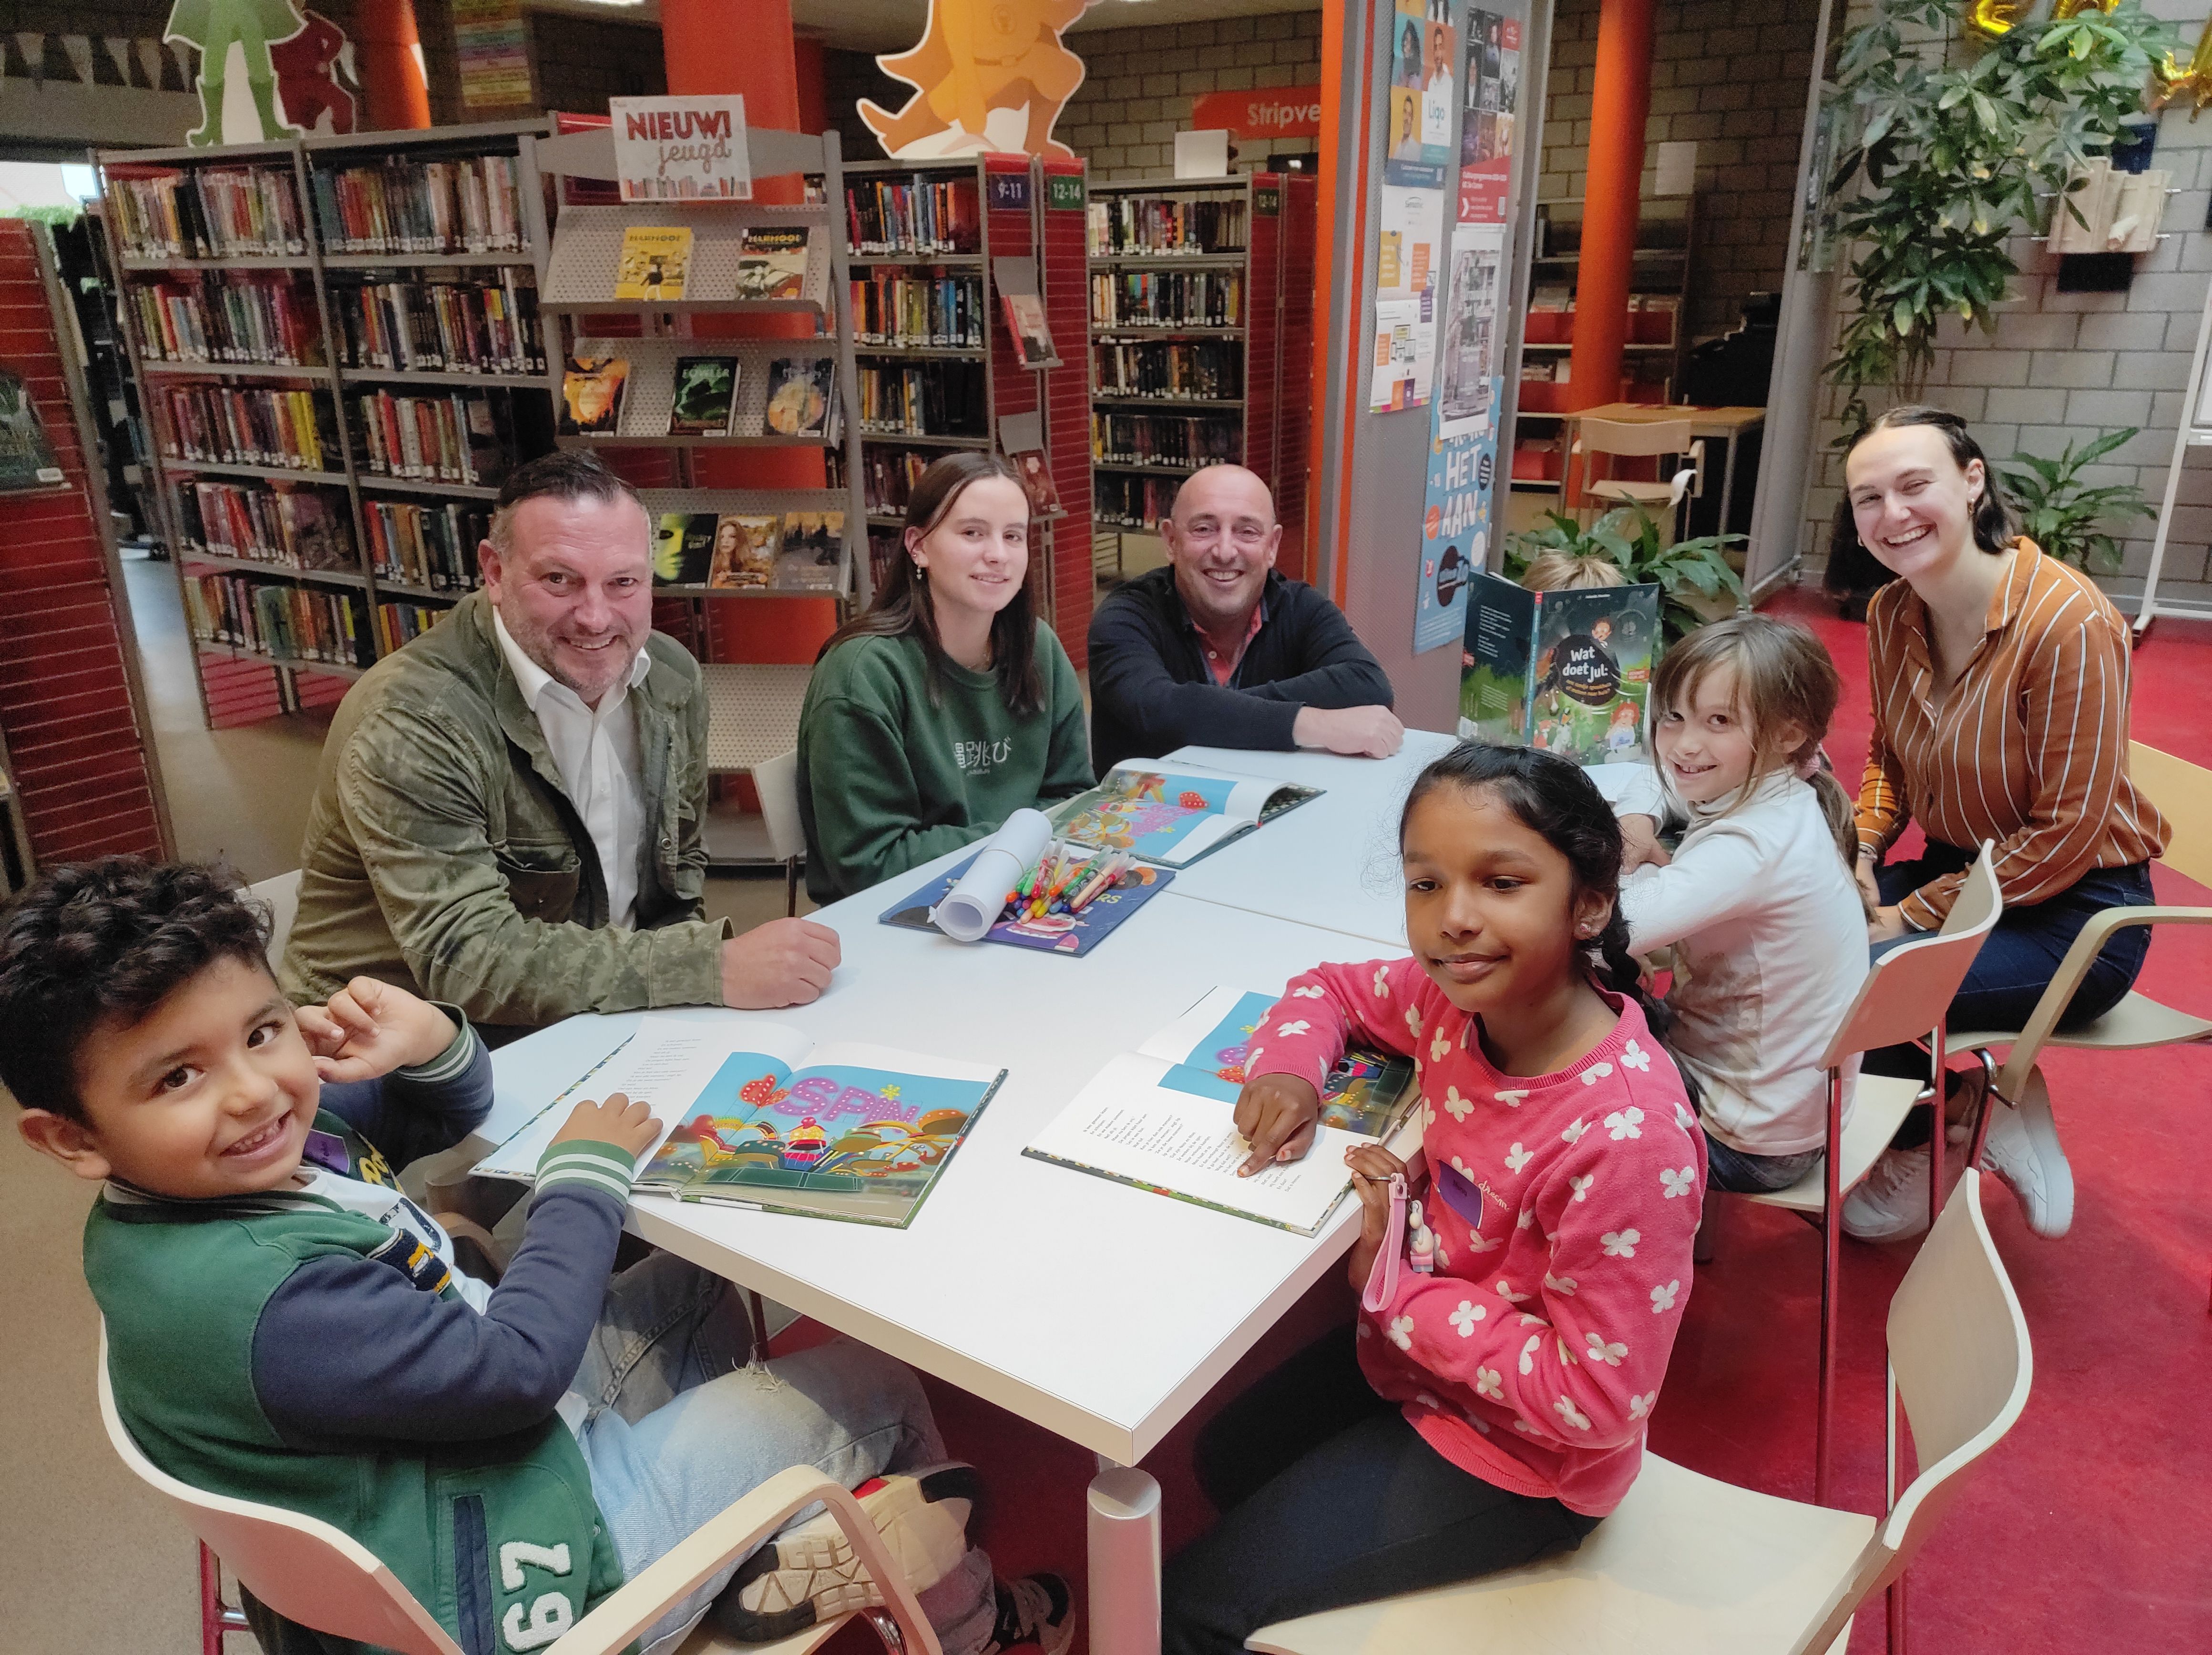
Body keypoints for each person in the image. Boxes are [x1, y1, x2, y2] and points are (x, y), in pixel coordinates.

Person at [0, 858, 1074, 1655]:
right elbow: (516, 1374)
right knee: (875, 1379)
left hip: (437, 1481)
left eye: (263, 1029)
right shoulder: (269, 1295)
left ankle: (743, 1551)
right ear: (71, 1138)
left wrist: (430, 1038)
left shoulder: (226, 1173)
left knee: (697, 1278)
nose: (252, 1088)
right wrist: (582, 1177)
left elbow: (444, 1106)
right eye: (177, 1076)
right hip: (526, 1572)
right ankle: (964, 1619)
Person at [1160, 745, 1706, 1650]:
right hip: (1418, 1360)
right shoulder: (1459, 1006)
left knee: (1188, 1603)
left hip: (1526, 1455)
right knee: (1225, 1458)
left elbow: (1600, 1397)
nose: (1454, 919)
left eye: (1501, 882)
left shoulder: (1629, 1139)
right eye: (1425, 884)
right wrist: (1293, 1068)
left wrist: (1395, 1288)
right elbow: (1331, 987)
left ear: (1591, 903)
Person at [282, 451, 840, 1042]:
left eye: (623, 582)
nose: (596, 618)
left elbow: (676, 879)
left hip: (594, 1019)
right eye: (559, 580)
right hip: (403, 1054)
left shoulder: (669, 678)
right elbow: (466, 959)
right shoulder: (411, 719)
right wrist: (706, 968)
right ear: (494, 573)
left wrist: (687, 1016)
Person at [1839, 405, 2170, 1242]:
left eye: (1916, 486)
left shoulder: (2068, 620)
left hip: (2080, 911)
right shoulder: (1892, 611)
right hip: (1965, 870)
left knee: (1875, 971)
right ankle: (1972, 1099)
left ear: (1973, 479)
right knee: (1803, 927)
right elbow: (1888, 756)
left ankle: (1941, 1131)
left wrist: (1906, 912)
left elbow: (2066, 832)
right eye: (1868, 498)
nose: (1892, 515)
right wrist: (1863, 846)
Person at [1608, 616, 1871, 1194]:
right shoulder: (1784, 786)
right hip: (1794, 1109)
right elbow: (1656, 780)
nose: (1684, 743)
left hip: (1743, 1139)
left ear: (1785, 734)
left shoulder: (1751, 845)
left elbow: (1603, 928)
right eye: (1672, 716)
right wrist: (1635, 823)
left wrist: (1635, 868)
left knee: (1550, 1015)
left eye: (1718, 721)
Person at [797, 452, 1092, 904]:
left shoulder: (1039, 648)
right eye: (973, 533)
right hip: (900, 915)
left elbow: (1073, 797)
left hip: (1024, 893)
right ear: (918, 546)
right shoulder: (863, 675)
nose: (997, 555)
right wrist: (1022, 840)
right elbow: (873, 862)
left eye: (1013, 536)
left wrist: (1025, 847)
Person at [1087, 465, 1402, 773]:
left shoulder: (1302, 608)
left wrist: (1206, 714)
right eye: (1204, 529)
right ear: (1171, 541)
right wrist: (1312, 723)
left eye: (1247, 532)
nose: (1225, 551)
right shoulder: (1125, 618)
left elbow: (1368, 685)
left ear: (1272, 546)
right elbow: (1157, 709)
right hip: (1146, 816)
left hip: (1272, 814)